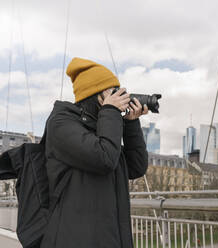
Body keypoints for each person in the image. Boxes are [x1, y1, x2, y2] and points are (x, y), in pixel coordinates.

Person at [40, 57, 148, 248]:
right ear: (95, 96)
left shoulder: (102, 130)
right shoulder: (61, 123)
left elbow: (136, 167)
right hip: (74, 239)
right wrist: (110, 111)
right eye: (112, 93)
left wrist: (130, 123)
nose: (118, 98)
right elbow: (104, 159)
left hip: (112, 237)